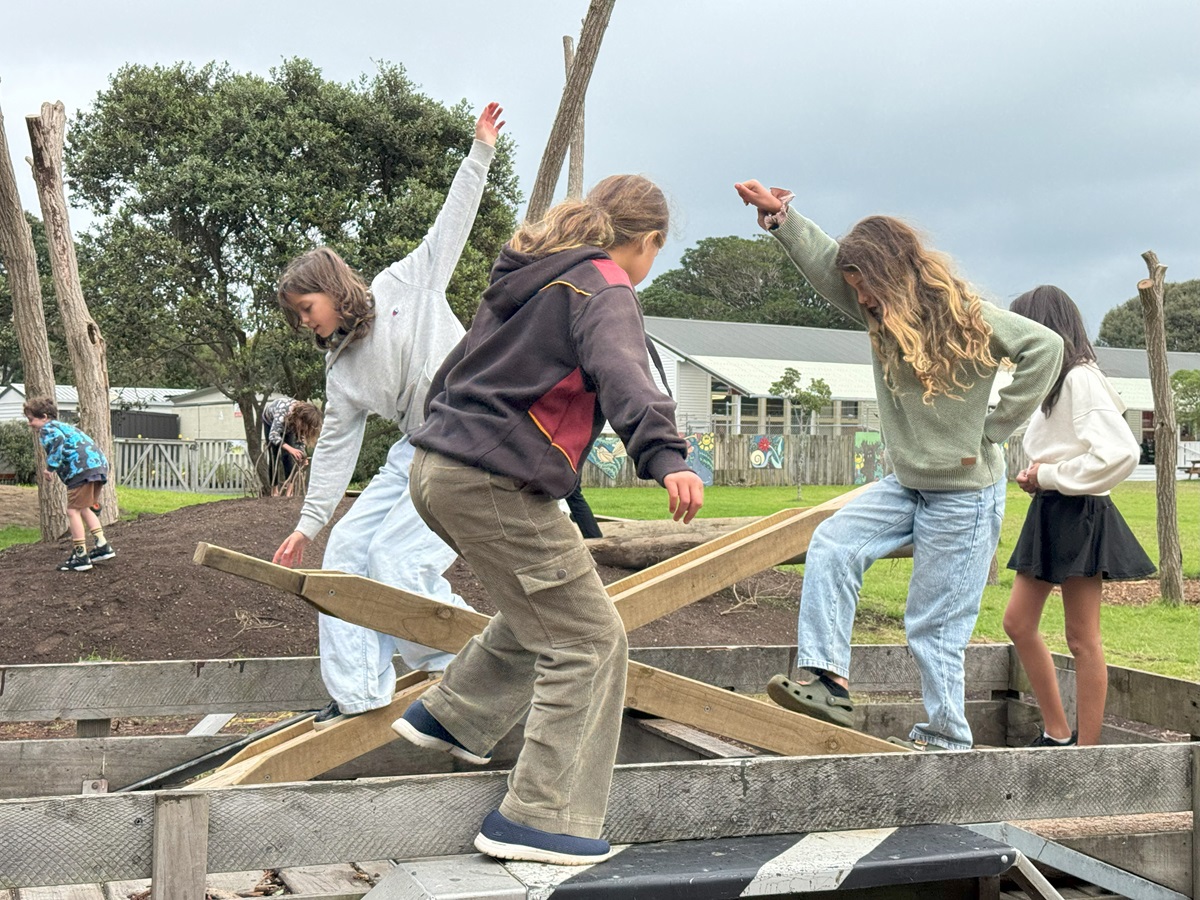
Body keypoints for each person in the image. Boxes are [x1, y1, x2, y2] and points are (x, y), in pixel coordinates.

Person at [395, 174, 705, 864]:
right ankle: (541, 817)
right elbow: (625, 372)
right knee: (590, 641)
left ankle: (453, 716)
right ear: (649, 241)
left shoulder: (531, 277)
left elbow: (456, 367)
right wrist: (666, 456)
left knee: (551, 604)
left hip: (438, 469)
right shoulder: (603, 284)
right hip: (493, 480)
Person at [734, 180, 1063, 751]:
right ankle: (829, 681)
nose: (861, 299)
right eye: (855, 289)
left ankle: (946, 740)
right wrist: (782, 219)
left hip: (964, 494)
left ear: (893, 277)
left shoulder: (967, 317)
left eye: (867, 287)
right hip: (908, 484)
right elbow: (825, 266)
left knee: (933, 626)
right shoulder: (879, 316)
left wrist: (995, 428)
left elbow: (1046, 348)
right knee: (833, 544)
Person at [272, 102, 505, 730]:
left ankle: (463, 662)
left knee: (397, 560)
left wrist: (480, 152)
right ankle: (357, 694)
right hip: (418, 446)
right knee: (349, 550)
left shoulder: (405, 285)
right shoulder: (341, 370)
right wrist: (309, 524)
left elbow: (451, 224)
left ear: (332, 287)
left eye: (307, 308)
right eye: (297, 317)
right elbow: (335, 448)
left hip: (473, 435)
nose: (305, 323)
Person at [1003, 285, 1154, 747]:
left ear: (1043, 329)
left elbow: (1121, 452)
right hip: (1052, 509)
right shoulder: (1056, 382)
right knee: (1018, 623)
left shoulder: (1080, 379)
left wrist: (1049, 475)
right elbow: (1066, 448)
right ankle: (1057, 732)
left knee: (1082, 638)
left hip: (1079, 512)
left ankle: (1085, 753)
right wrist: (1040, 475)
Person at [23, 398, 117, 572]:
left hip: (81, 470)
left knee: (72, 511)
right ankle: (102, 546)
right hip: (98, 467)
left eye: (31, 419)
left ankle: (80, 556)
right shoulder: (66, 427)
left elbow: (57, 443)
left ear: (44, 417)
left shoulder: (48, 429)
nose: (30, 424)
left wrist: (50, 468)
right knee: (84, 508)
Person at [261, 397, 323, 496]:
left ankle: (289, 491)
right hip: (271, 422)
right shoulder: (283, 413)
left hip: (290, 424)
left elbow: (300, 440)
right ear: (302, 419)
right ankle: (274, 490)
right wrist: (291, 449)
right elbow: (273, 436)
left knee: (288, 456)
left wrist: (302, 455)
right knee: (274, 455)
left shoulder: (300, 422)